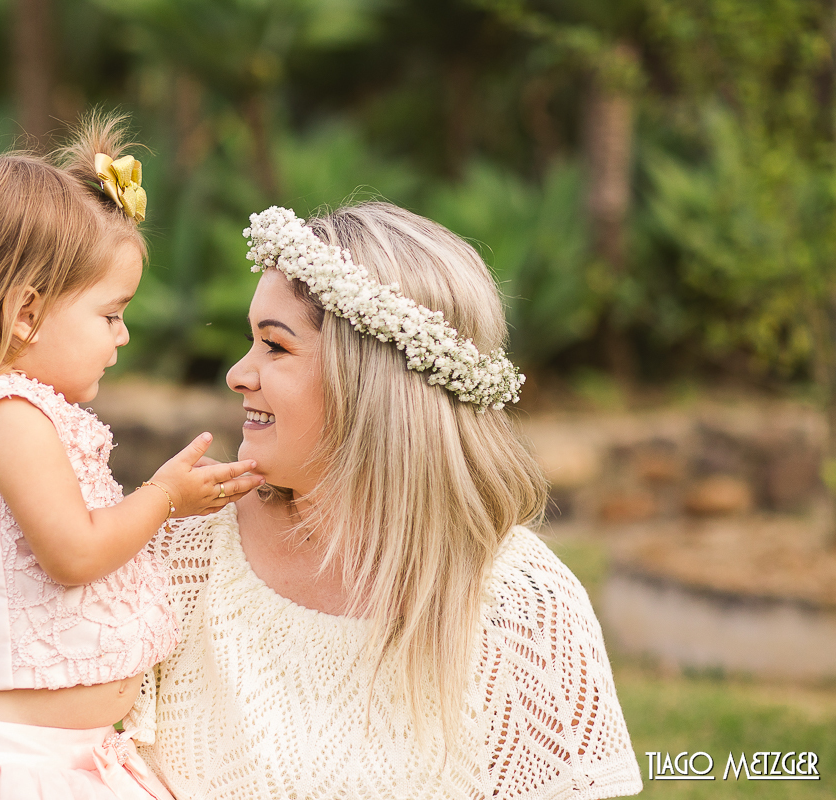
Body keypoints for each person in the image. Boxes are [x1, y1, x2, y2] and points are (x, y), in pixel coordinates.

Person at [127, 203, 644, 799]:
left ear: (368, 380)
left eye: (275, 346)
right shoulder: (184, 547)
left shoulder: (525, 605)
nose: (238, 374)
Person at [0, 115, 263, 800]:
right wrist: (164, 497)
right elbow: (73, 553)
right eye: (111, 314)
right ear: (26, 312)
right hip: (14, 768)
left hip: (66, 760)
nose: (121, 337)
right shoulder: (7, 419)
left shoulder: (30, 416)